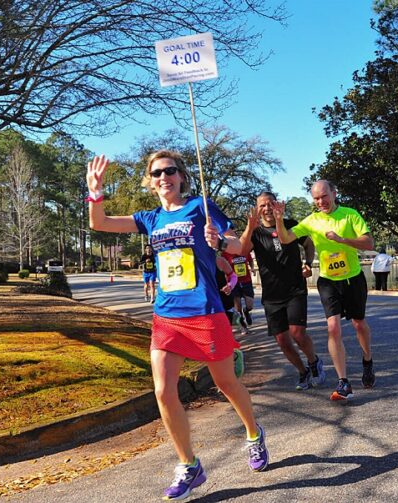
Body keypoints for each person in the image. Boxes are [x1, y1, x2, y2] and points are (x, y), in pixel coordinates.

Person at [87, 150, 268, 500]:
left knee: (226, 383)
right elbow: (101, 223)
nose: (163, 177)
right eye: (156, 173)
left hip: (205, 311)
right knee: (162, 391)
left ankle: (253, 433)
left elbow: (238, 246)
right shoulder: (149, 218)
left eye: (170, 171)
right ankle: (189, 464)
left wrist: (220, 240)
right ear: (150, 181)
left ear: (182, 176)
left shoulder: (201, 206)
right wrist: (95, 191)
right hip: (167, 316)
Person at [272, 180, 376, 402]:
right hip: (328, 280)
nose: (321, 202)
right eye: (316, 199)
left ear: (334, 193)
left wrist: (342, 240)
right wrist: (279, 219)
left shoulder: (350, 215)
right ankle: (343, 382)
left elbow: (369, 243)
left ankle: (367, 360)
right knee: (333, 328)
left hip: (353, 279)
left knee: (359, 324)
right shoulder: (312, 221)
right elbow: (286, 238)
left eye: (324, 196)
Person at [240, 191, 327, 391]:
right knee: (282, 341)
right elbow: (243, 251)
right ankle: (302, 372)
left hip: (295, 289)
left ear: (277, 204)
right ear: (257, 210)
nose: (267, 208)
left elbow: (308, 243)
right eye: (262, 205)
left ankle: (314, 362)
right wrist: (248, 226)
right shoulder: (255, 232)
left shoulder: (290, 224)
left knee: (297, 333)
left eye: (270, 203)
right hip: (271, 294)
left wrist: (307, 263)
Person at [221, 251, 255, 334]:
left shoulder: (244, 250)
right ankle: (243, 326)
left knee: (250, 305)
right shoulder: (225, 254)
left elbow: (250, 260)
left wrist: (252, 268)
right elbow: (222, 267)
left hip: (246, 281)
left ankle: (246, 311)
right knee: (238, 308)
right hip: (234, 283)